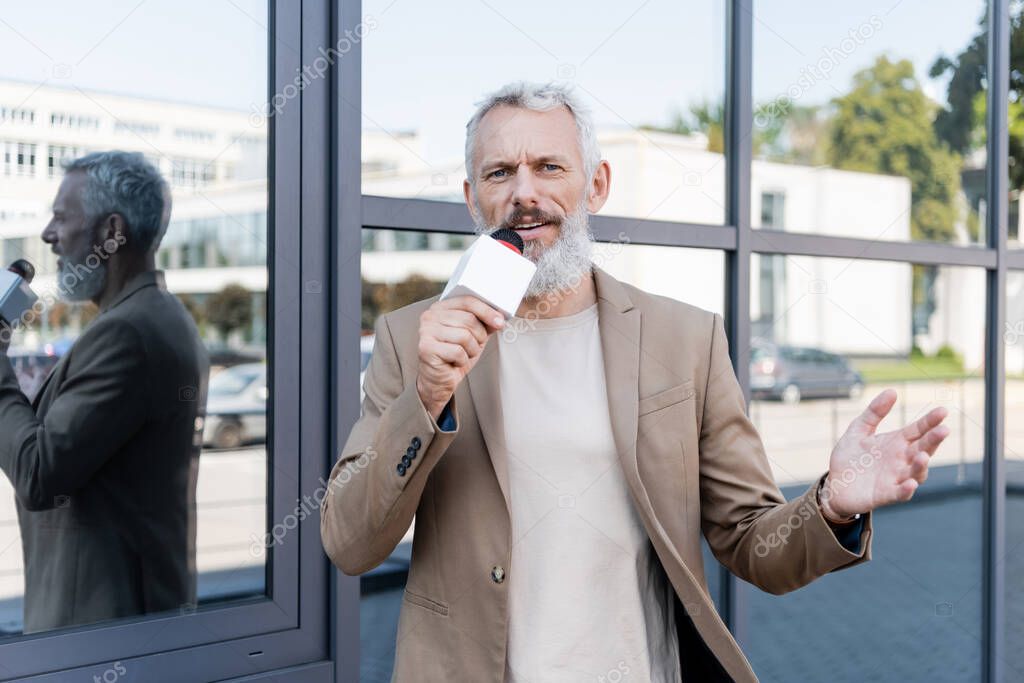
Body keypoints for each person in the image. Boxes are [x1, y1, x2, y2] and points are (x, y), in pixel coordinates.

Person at [320, 82, 949, 682]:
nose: (524, 193)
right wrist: (426, 398)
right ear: (471, 197)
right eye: (499, 173)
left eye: (549, 167)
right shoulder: (412, 339)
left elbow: (751, 541)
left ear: (596, 185)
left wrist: (832, 506)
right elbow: (349, 542)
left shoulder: (686, 339)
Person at [0, 151, 209, 633]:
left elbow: (39, 473)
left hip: (99, 632)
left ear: (111, 232)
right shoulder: (154, 318)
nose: (49, 235)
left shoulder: (128, 334)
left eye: (61, 217)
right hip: (123, 623)